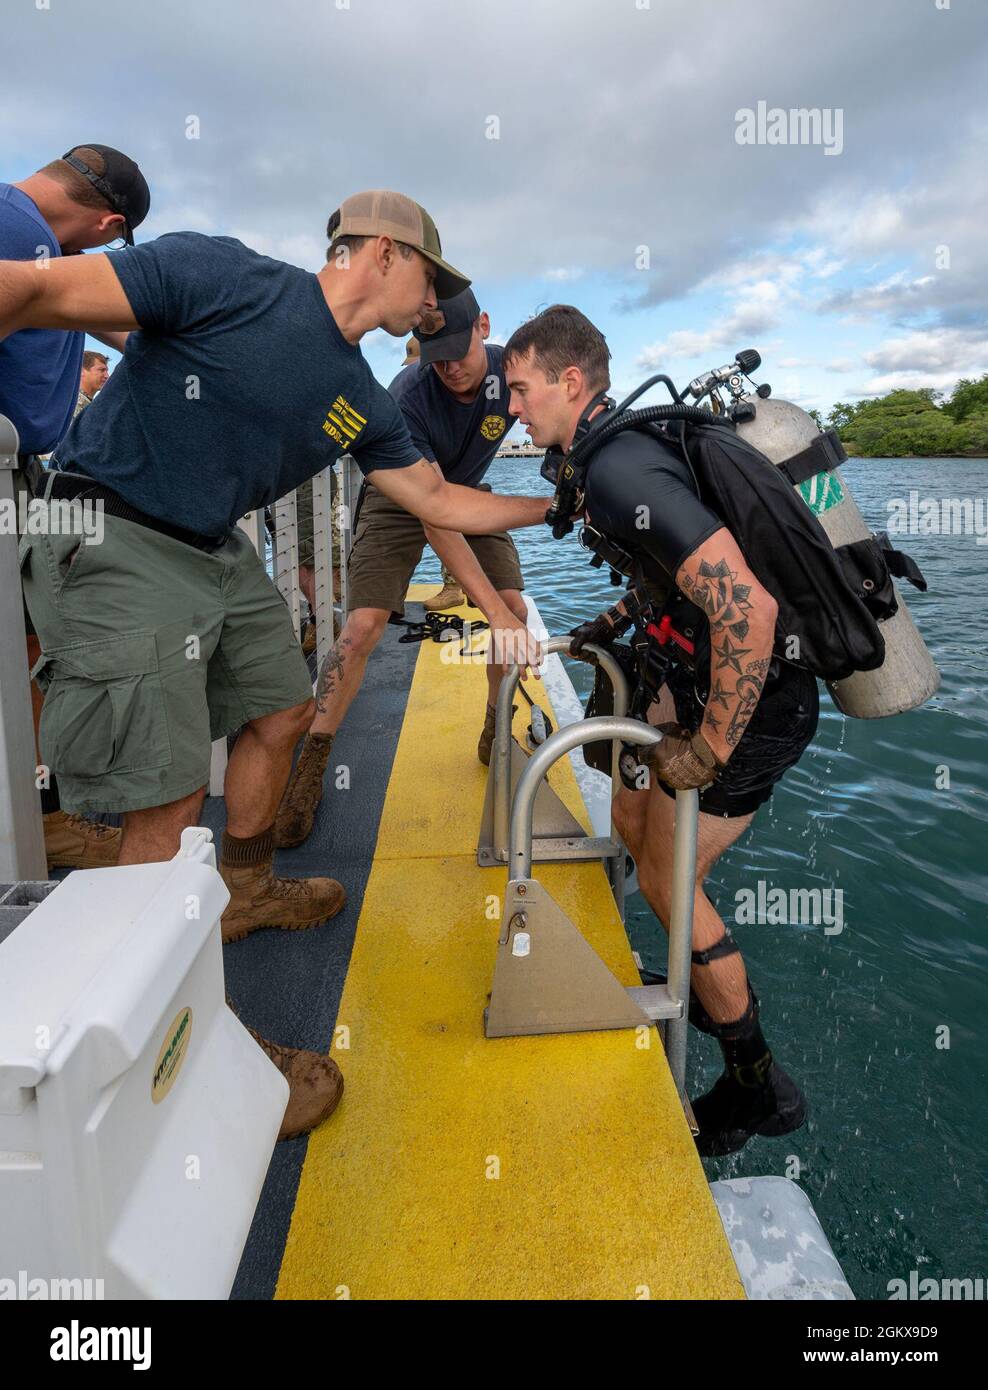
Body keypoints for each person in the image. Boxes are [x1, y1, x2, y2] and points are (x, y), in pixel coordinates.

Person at [2, 188, 545, 1139]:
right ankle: (179, 1047)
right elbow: (31, 292)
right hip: (113, 526)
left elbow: (436, 498)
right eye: (429, 276)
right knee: (164, 801)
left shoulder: (363, 399)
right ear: (380, 253)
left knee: (284, 710)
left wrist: (557, 505)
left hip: (211, 546)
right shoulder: (224, 276)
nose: (433, 303)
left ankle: (244, 889)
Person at [503, 305, 814, 1157]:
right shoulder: (608, 460)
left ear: (572, 382)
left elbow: (745, 607)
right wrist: (609, 621)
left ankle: (759, 1084)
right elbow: (669, 579)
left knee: (671, 883)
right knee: (637, 829)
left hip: (753, 703)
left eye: (522, 390)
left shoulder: (621, 469)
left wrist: (709, 748)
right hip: (689, 673)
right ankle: (698, 987)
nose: (514, 411)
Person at [274, 286, 528, 849]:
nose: (450, 371)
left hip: (468, 492)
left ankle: (495, 728)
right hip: (402, 494)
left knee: (513, 609)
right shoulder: (408, 393)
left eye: (459, 354)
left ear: (484, 326)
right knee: (362, 625)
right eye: (436, 359)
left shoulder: (515, 374)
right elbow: (435, 517)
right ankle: (311, 766)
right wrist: (484, 607)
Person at [0, 144, 150, 871]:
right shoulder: (21, 236)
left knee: (27, 644)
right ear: (107, 224)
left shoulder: (26, 234)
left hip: (23, 478)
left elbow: (109, 324)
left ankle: (42, 814)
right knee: (24, 646)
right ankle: (42, 825)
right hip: (7, 477)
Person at [74, 350, 110, 419]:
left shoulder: (91, 406)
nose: (107, 376)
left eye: (106, 371)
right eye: (102, 370)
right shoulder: (70, 404)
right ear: (81, 371)